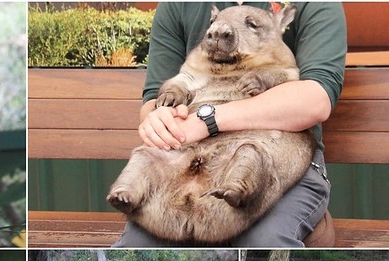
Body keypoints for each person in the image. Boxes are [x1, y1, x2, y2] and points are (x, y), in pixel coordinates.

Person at [113, 2, 347, 248]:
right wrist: (159, 121)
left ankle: (303, 220)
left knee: (263, 241)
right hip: (187, 157)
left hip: (279, 153)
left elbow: (315, 100)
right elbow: (154, 99)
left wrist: (208, 121)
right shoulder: (177, 5)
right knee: (138, 246)